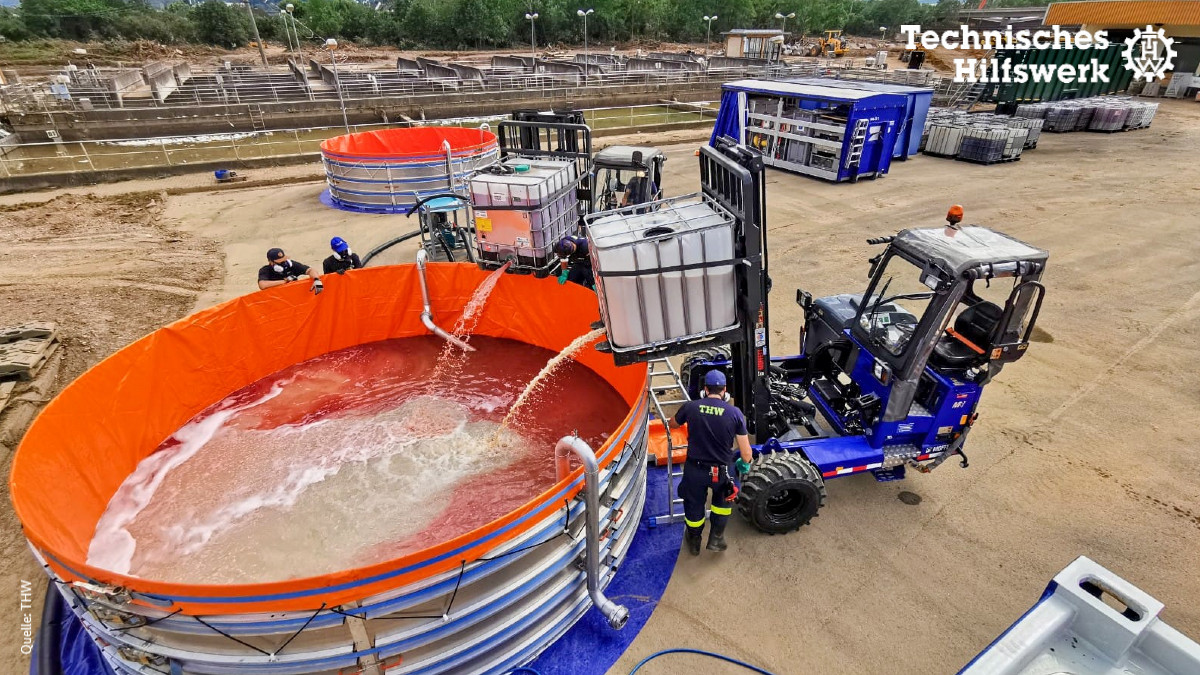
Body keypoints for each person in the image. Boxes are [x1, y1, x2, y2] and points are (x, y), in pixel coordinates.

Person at [669, 369, 753, 555]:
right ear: (724, 391)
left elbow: (673, 424)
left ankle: (694, 540)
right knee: (722, 506)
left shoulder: (691, 407)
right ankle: (716, 538)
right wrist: (742, 465)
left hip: (695, 470)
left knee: (693, 506)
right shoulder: (735, 413)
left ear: (705, 389)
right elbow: (746, 454)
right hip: (723, 471)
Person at [258, 247, 323, 294]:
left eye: (284, 260)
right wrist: (286, 281)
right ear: (270, 262)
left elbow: (310, 270)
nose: (283, 263)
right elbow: (263, 285)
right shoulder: (265, 270)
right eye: (280, 262)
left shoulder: (291, 265)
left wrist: (316, 279)